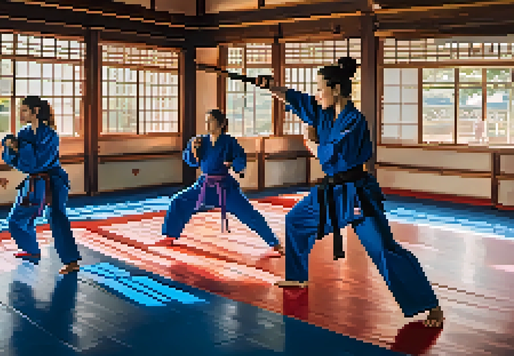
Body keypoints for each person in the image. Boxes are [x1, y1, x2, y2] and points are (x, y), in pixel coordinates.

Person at [256, 57, 444, 328]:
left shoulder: (354, 121)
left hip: (357, 194)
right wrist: (272, 87)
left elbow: (331, 156)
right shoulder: (322, 112)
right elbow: (296, 99)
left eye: (320, 88)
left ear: (336, 89)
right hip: (331, 192)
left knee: (384, 249)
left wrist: (311, 143)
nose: (317, 94)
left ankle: (430, 306)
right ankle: (298, 276)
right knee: (296, 221)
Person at [152, 109, 284, 259]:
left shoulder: (229, 142)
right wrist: (194, 150)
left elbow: (239, 159)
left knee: (248, 213)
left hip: (225, 187)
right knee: (178, 201)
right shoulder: (200, 141)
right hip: (204, 186)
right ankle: (170, 236)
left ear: (221, 124)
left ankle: (274, 243)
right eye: (206, 121)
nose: (207, 124)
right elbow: (191, 162)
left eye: (211, 121)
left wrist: (234, 164)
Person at [1, 96, 81, 274]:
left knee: (56, 216)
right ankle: (32, 250)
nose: (20, 114)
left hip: (53, 180)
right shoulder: (24, 133)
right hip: (33, 181)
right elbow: (17, 163)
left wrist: (19, 148)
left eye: (24, 110)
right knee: (16, 219)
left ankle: (71, 261)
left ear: (35, 111)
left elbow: (37, 163)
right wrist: (9, 147)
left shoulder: (50, 135)